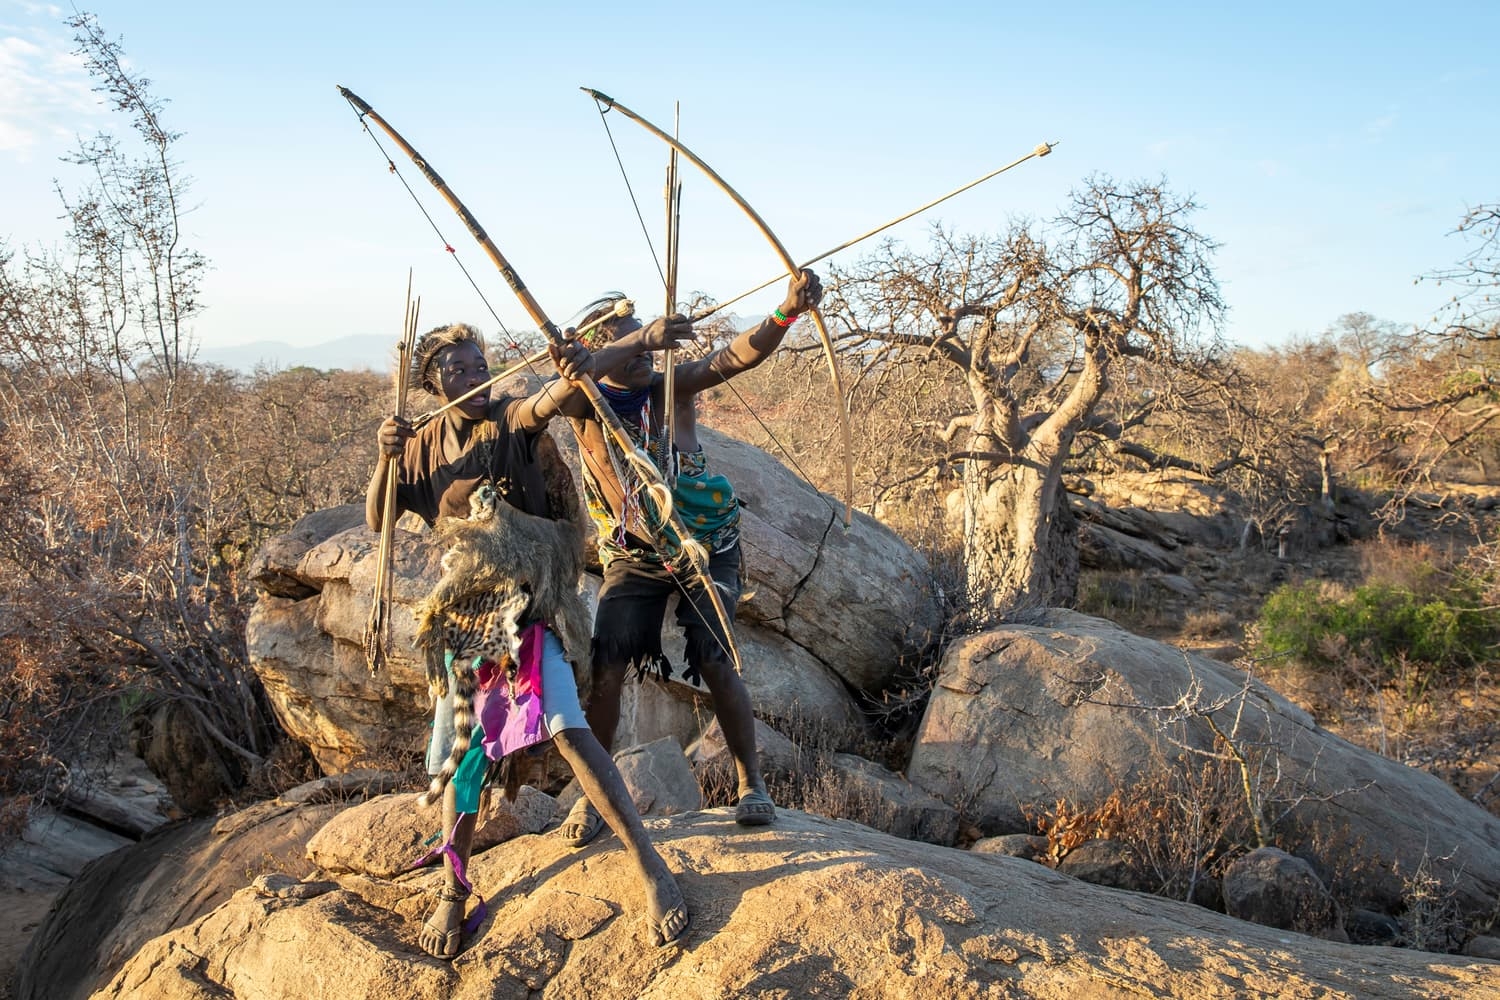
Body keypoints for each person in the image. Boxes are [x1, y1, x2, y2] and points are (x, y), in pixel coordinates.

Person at [366, 321, 692, 957]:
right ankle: (453, 892)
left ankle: (650, 866)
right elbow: (378, 518)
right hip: (466, 614)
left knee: (568, 727)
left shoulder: (509, 418)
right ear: (432, 383)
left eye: (478, 362)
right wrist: (385, 456)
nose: (472, 376)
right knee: (466, 752)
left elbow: (554, 399)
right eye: (457, 369)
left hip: (534, 602)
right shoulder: (421, 445)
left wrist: (631, 344)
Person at [553, 270, 823, 847]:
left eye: (644, 337)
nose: (647, 351)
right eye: (629, 342)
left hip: (705, 542)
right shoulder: (585, 403)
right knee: (607, 666)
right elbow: (575, 380)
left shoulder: (670, 388)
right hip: (634, 552)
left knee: (717, 657)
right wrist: (629, 342)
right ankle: (594, 798)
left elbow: (732, 360)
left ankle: (753, 786)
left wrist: (786, 312)